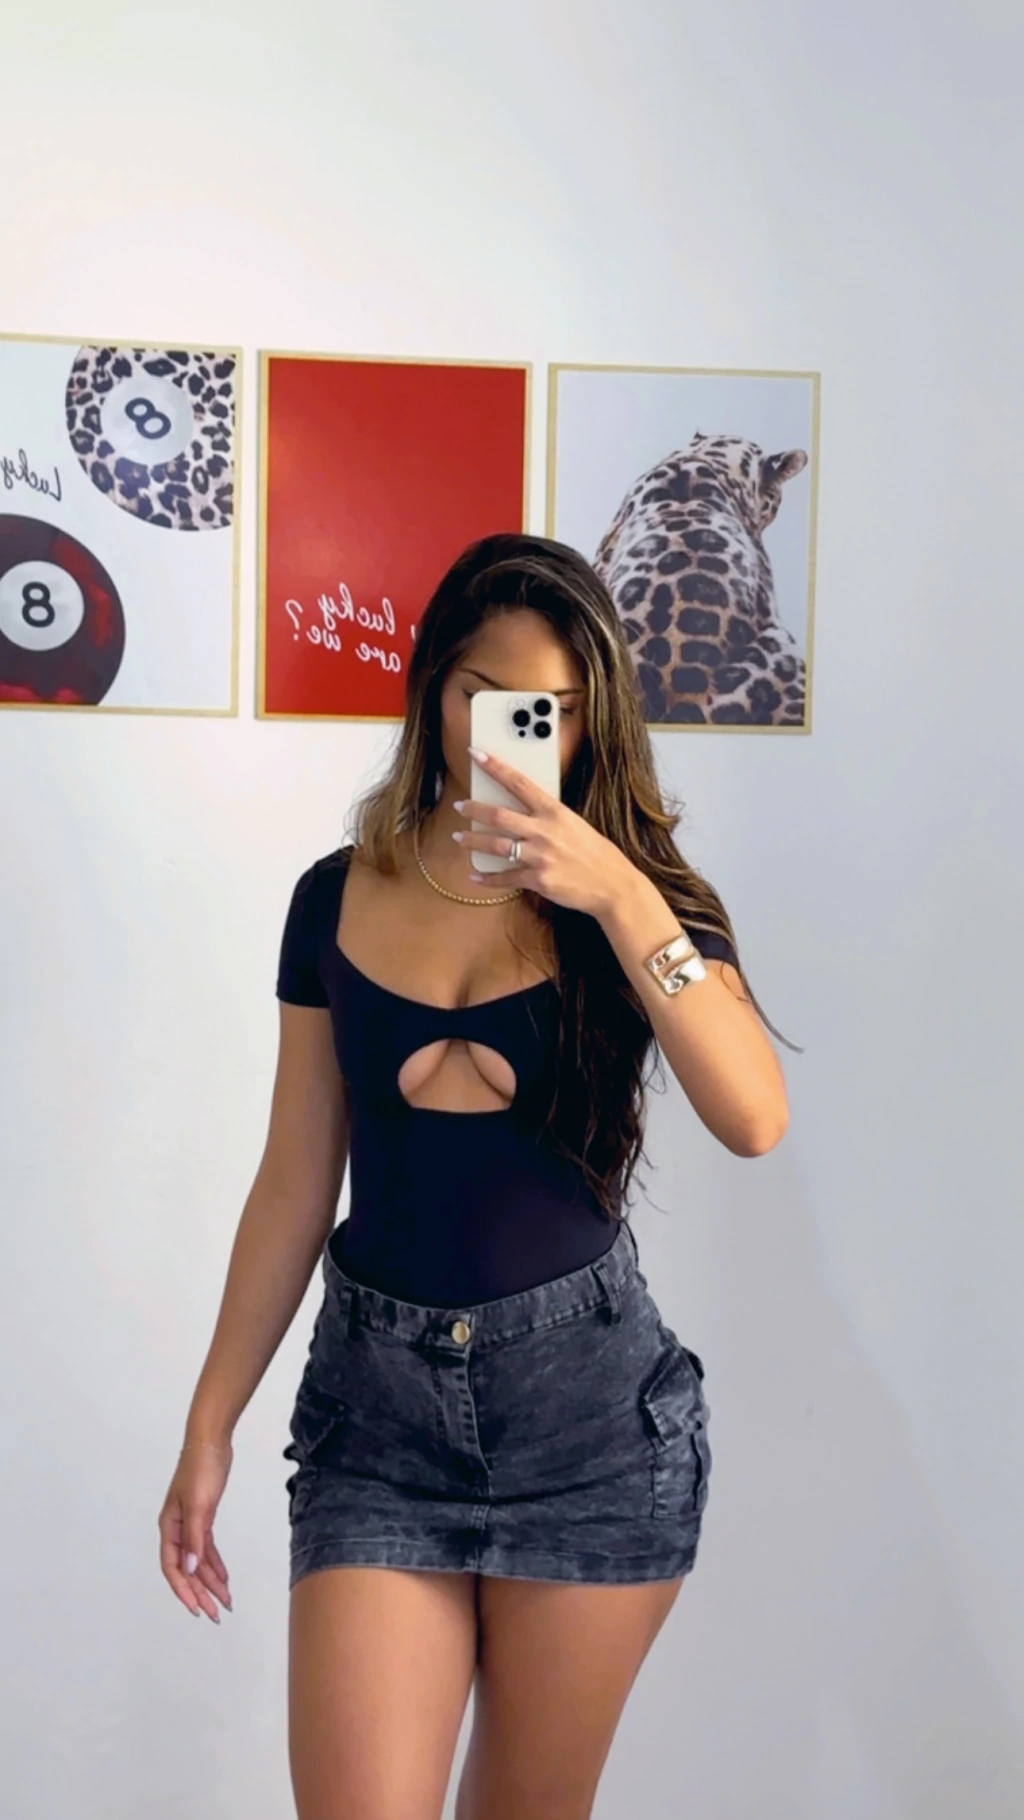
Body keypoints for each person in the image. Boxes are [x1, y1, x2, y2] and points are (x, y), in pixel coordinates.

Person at [158, 532, 790, 1820]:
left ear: (592, 719)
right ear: (433, 689)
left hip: (589, 1430)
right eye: (482, 695)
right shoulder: (334, 898)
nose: (509, 733)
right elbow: (294, 1179)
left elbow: (754, 1116)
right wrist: (209, 1421)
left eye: (548, 708)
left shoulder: (639, 905)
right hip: (377, 1427)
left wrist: (619, 897)